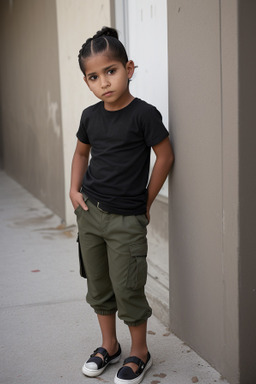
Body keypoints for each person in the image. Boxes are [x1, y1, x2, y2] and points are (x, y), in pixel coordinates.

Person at [70, 26, 174, 384]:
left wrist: (146, 199)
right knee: (99, 285)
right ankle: (109, 345)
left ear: (128, 69)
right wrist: (74, 191)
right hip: (90, 214)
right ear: (87, 82)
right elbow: (81, 152)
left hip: (127, 219)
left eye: (110, 71)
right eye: (93, 77)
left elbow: (165, 155)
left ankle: (139, 351)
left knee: (128, 286)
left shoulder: (144, 114)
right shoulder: (90, 116)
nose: (104, 83)